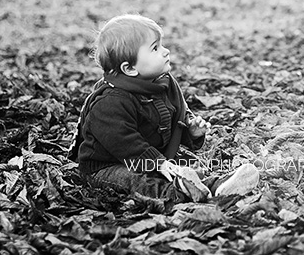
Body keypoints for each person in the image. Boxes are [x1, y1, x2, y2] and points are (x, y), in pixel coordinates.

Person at [68, 14, 259, 203]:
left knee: (189, 164)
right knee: (136, 181)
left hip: (152, 156)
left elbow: (174, 118)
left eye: (161, 45)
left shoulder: (162, 84)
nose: (166, 51)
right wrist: (158, 162)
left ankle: (217, 185)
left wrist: (191, 131)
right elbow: (124, 142)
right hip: (107, 165)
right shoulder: (110, 101)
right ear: (130, 69)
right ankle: (179, 192)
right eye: (155, 48)